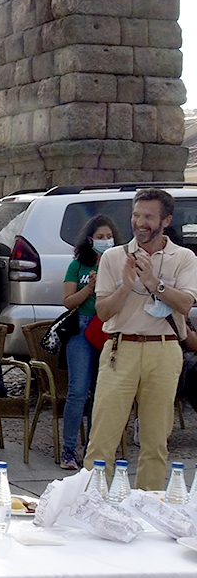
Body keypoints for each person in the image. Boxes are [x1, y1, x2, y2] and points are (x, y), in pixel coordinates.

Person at [84, 188, 197, 491]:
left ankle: (150, 514)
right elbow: (104, 312)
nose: (140, 222)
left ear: (166, 220)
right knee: (101, 441)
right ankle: (90, 508)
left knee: (155, 442)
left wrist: (152, 283)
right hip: (120, 349)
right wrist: (126, 285)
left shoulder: (184, 257)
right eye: (136, 214)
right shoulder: (112, 257)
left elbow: (186, 304)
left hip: (164, 351)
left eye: (149, 216)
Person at [60, 215, 119, 470]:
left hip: (108, 329)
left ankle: (93, 451)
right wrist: (90, 289)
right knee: (78, 391)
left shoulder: (118, 264)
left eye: (109, 237)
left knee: (101, 392)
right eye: (100, 237)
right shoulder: (77, 266)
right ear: (90, 240)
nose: (105, 241)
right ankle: (68, 450)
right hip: (82, 328)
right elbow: (68, 301)